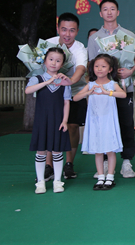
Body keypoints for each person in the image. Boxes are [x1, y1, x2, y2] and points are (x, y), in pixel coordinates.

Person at [87, 0, 135, 179]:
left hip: (124, 88)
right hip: (103, 92)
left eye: (112, 9)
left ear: (118, 12)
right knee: (105, 126)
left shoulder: (128, 35)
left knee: (126, 124)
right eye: (105, 9)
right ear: (100, 13)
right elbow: (92, 64)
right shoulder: (94, 38)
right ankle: (107, 162)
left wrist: (130, 71)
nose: (109, 12)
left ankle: (126, 161)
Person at [44, 13, 88, 181]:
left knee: (73, 127)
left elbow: (81, 69)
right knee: (51, 128)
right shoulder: (48, 44)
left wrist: (69, 82)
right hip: (51, 93)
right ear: (58, 29)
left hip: (75, 92)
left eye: (72, 30)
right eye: (64, 29)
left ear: (77, 31)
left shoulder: (79, 48)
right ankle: (48, 166)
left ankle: (69, 164)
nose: (67, 34)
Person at [74, 54, 125, 190]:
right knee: (98, 150)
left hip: (108, 121)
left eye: (103, 66)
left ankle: (110, 177)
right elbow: (75, 98)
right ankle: (101, 177)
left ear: (110, 69)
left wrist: (107, 92)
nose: (99, 69)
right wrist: (88, 92)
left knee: (110, 150)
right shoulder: (91, 84)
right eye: (96, 66)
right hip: (95, 122)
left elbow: (123, 94)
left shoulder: (112, 84)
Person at [25, 47, 72, 194]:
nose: (53, 63)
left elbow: (66, 102)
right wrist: (48, 82)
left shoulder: (64, 82)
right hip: (42, 121)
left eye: (58, 61)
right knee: (41, 151)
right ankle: (40, 182)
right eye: (51, 59)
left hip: (57, 120)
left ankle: (58, 181)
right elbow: (28, 90)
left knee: (57, 151)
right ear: (44, 61)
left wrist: (65, 121)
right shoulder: (37, 79)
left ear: (62, 64)